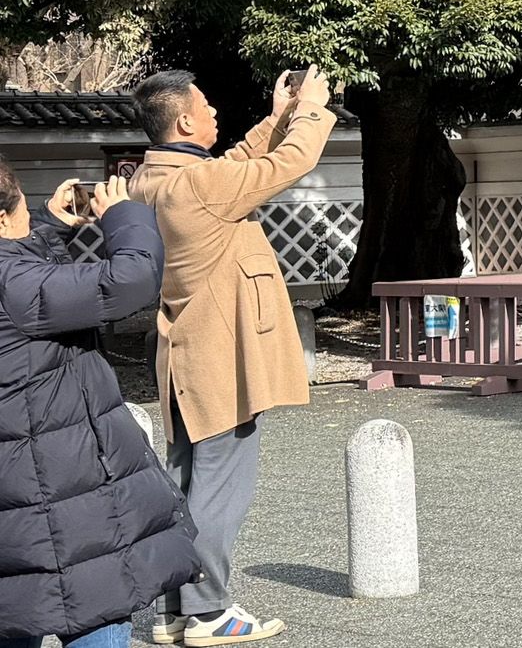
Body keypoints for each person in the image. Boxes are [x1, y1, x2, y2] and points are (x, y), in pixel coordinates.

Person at [130, 68, 335, 646]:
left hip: (184, 353)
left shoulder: (154, 179)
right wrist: (312, 110)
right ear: (185, 120)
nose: (217, 114)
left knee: (186, 480)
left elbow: (239, 165)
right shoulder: (199, 185)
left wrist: (277, 115)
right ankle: (209, 611)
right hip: (223, 356)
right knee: (220, 485)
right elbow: (283, 167)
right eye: (208, 106)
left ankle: (177, 607)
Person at [0, 158, 197, 648]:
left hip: (14, 497)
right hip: (63, 490)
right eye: (24, 208)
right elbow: (130, 279)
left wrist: (48, 226)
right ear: (2, 220)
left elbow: (29, 279)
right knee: (97, 602)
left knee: (17, 608)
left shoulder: (18, 281)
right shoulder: (16, 288)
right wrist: (125, 215)